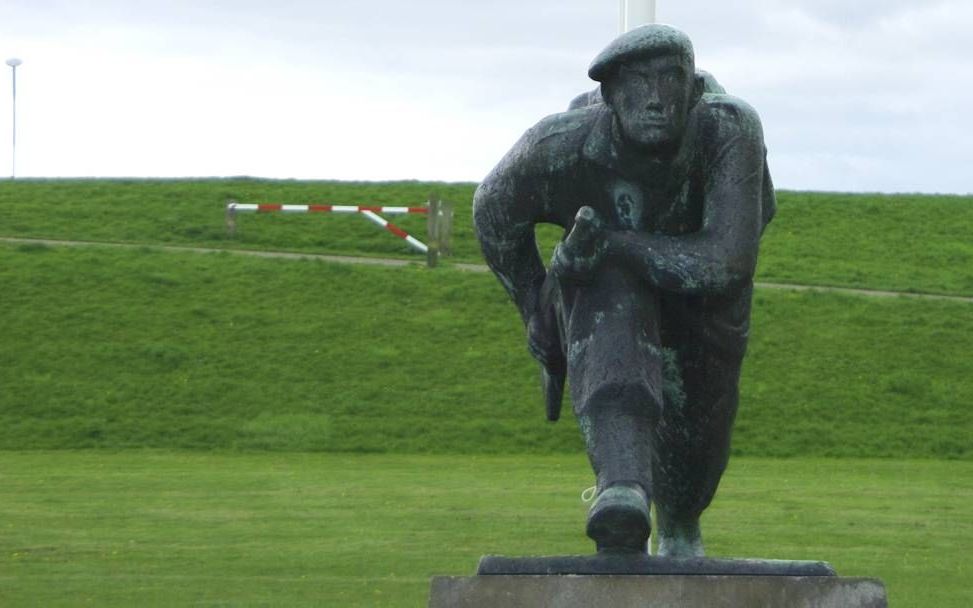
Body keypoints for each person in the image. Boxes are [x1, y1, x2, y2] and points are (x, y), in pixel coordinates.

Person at [473, 24, 775, 556]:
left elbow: (726, 261)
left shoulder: (729, 129)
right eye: (638, 82)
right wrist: (536, 311)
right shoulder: (558, 143)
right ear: (610, 94)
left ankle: (678, 527)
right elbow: (494, 213)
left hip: (706, 300)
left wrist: (615, 243)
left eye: (670, 80)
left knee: (694, 462)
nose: (656, 98)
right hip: (607, 287)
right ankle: (622, 487)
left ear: (694, 89)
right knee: (606, 286)